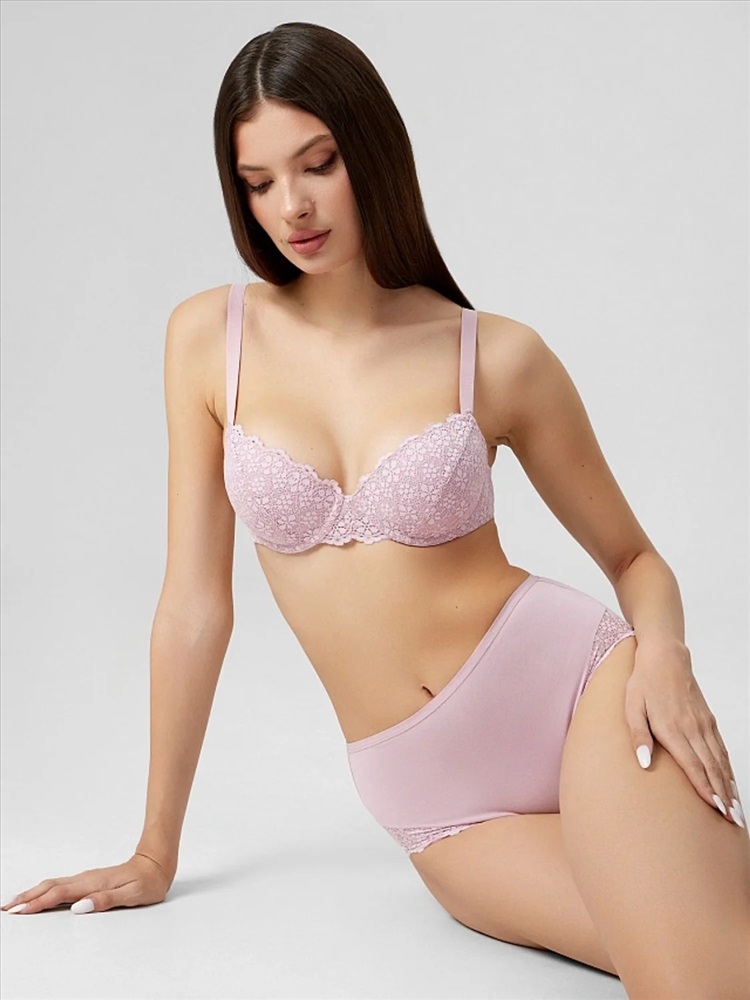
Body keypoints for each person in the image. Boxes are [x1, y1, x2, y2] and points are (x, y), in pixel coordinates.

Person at [3, 20, 749, 997]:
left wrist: (665, 656)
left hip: (584, 704)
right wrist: (155, 848)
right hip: (439, 806)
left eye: (318, 164)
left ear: (372, 152)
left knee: (696, 976)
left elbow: (635, 560)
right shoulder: (210, 339)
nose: (292, 206)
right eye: (259, 182)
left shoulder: (496, 355)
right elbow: (194, 606)